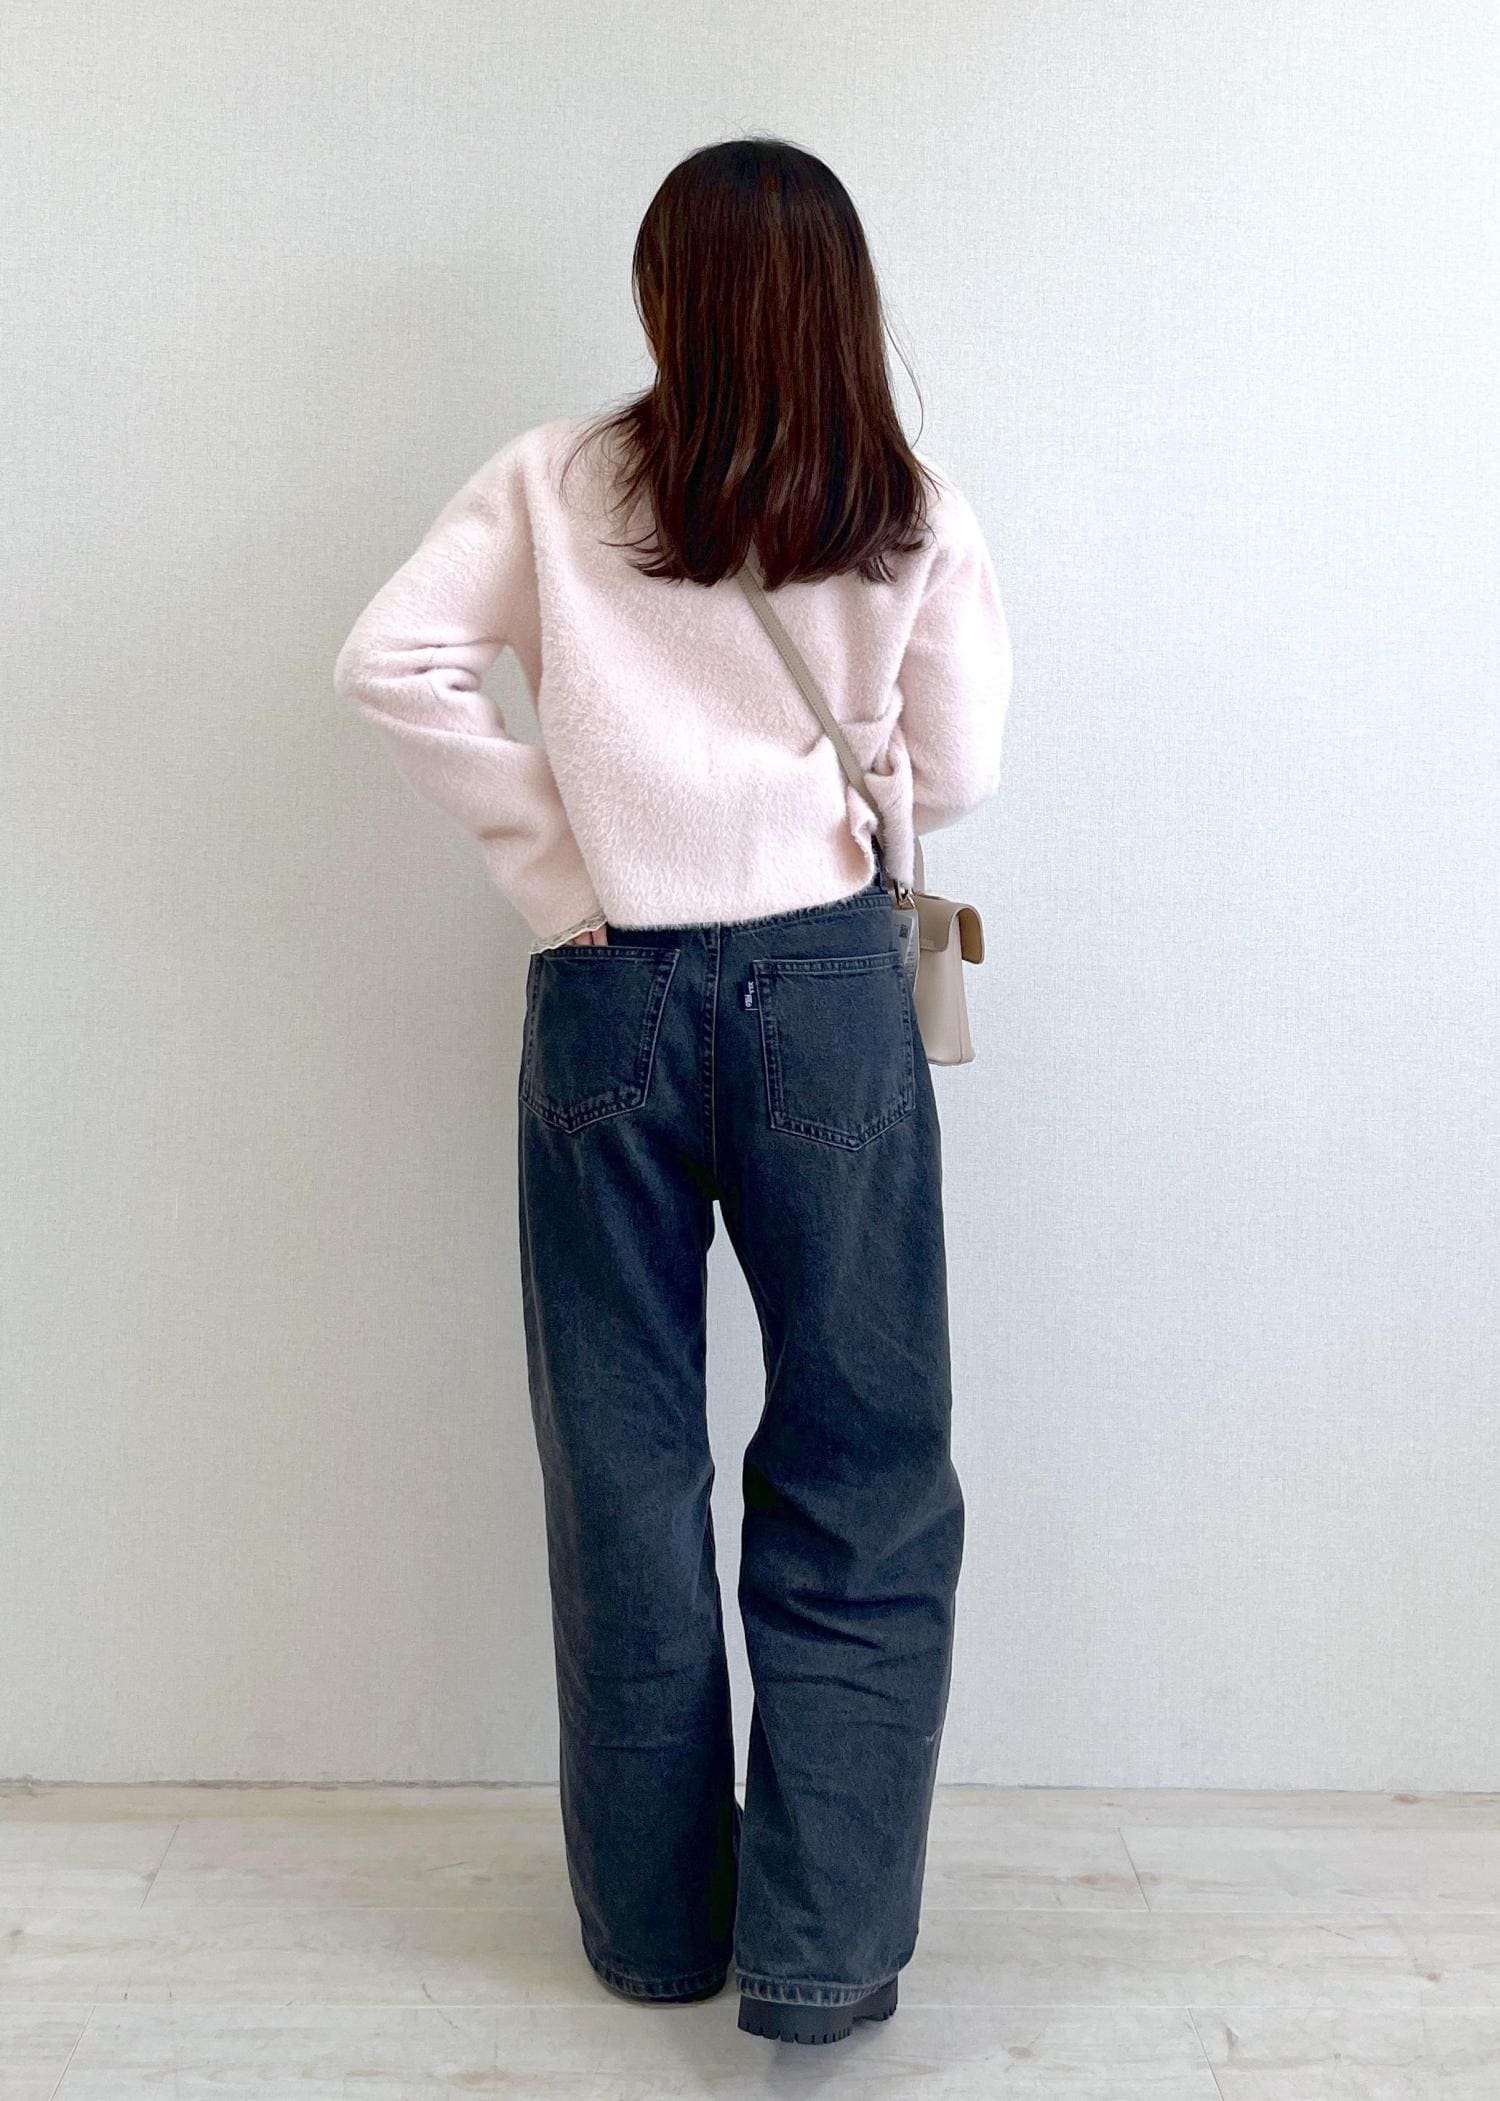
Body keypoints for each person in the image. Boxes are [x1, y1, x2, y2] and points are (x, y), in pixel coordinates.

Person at [333, 135, 1013, 2049]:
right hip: (825, 995)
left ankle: (653, 1934)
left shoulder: (556, 480)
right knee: (864, 1471)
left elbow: (391, 662)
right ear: (843, 302)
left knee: (622, 1470)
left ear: (663, 294)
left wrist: (563, 864)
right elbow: (960, 766)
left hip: (607, 991)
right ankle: (822, 1951)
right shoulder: (906, 503)